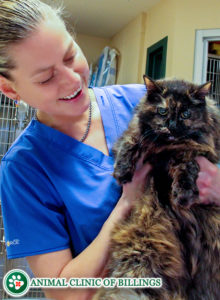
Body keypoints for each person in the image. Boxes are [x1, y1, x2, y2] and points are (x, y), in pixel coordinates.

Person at [0, 1, 219, 299]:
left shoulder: (145, 102)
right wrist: (126, 203)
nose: (73, 80)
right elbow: (65, 292)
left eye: (70, 55)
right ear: (11, 90)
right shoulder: (23, 169)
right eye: (47, 77)